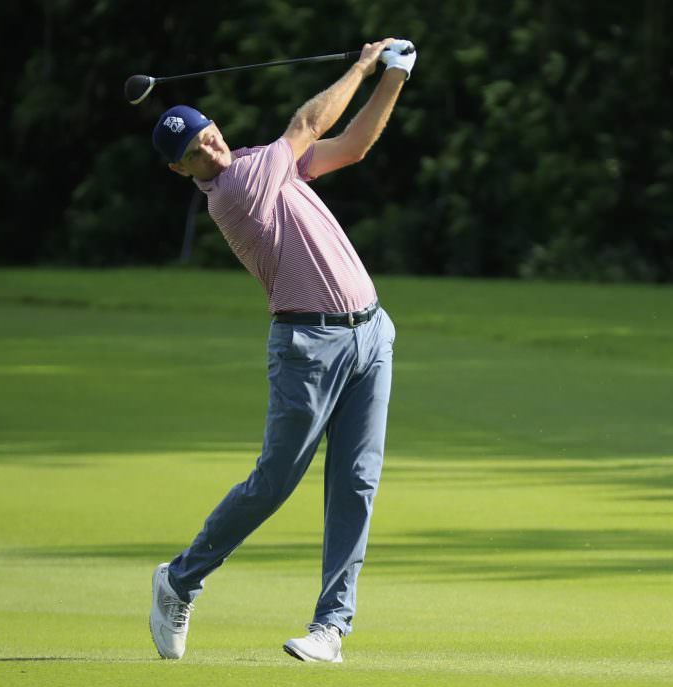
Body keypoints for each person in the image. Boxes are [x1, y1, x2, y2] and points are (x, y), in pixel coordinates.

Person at [147, 38, 417, 663]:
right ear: (181, 171)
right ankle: (180, 580)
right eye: (193, 154)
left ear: (215, 126)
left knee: (356, 483)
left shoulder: (262, 163)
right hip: (308, 347)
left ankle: (331, 628)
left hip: (371, 334)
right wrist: (364, 65)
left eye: (207, 136)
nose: (209, 150)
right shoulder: (236, 190)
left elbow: (351, 147)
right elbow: (308, 124)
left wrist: (394, 78)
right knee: (274, 482)